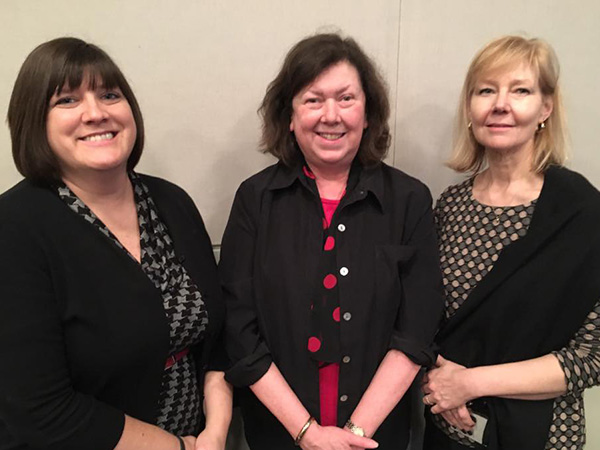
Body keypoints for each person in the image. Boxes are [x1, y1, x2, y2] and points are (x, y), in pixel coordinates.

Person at [0, 37, 232, 450]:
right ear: (34, 121)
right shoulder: (15, 228)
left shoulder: (171, 202)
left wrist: (214, 432)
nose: (96, 113)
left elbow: (215, 340)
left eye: (109, 94)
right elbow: (40, 411)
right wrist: (177, 448)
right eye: (67, 100)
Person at [219, 33, 444, 450]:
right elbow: (239, 330)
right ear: (289, 116)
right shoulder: (255, 200)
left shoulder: (409, 200)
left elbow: (416, 331)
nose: (330, 115)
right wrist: (306, 433)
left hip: (376, 437)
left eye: (346, 98)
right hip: (279, 434)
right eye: (312, 99)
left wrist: (355, 435)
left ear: (368, 113)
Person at [422, 35, 600, 450]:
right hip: (447, 430)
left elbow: (593, 356)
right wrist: (437, 379)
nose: (500, 104)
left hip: (541, 434)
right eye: (486, 90)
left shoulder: (582, 212)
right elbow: (424, 315)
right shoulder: (451, 205)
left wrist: (467, 383)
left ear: (545, 108)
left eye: (520, 90)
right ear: (470, 108)